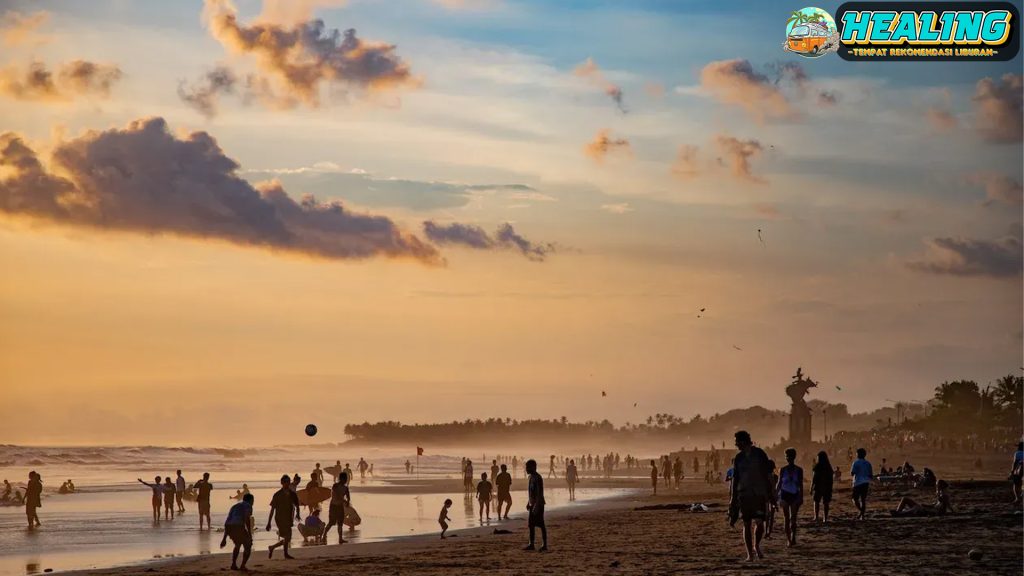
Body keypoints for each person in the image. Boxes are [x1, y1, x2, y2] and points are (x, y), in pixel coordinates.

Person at [729, 431, 773, 562]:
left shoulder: (760, 454)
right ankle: (750, 554)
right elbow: (735, 479)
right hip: (744, 494)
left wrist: (771, 492)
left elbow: (768, 474)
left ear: (743, 441)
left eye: (737, 441)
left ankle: (756, 545)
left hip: (759, 493)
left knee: (760, 523)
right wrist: (733, 498)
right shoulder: (738, 458)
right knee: (746, 523)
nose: (736, 444)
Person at [267, 474, 301, 559]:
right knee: (287, 537)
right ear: (282, 483)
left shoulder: (292, 494)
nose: (287, 483)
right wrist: (269, 523)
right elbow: (272, 509)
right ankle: (285, 554)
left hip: (289, 517)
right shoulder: (277, 495)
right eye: (285, 482)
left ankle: (272, 547)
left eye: (288, 482)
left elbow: (297, 505)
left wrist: (298, 514)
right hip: (280, 518)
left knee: (288, 538)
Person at [776, 448, 804, 547]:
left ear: (794, 457)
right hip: (784, 494)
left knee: (793, 519)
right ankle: (789, 539)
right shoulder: (782, 470)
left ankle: (793, 536)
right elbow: (779, 483)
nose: (788, 458)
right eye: (787, 456)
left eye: (790, 456)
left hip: (794, 494)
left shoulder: (799, 470)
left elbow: (801, 484)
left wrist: (801, 497)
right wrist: (776, 495)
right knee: (786, 518)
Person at [221, 492, 254, 571]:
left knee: (238, 545)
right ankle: (242, 565)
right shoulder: (248, 506)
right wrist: (249, 534)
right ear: (250, 500)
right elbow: (247, 520)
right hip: (238, 526)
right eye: (253, 500)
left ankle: (233, 564)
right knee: (248, 545)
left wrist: (224, 538)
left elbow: (228, 522)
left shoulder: (234, 506)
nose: (253, 502)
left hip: (230, 527)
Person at [524, 459, 547, 551]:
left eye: (527, 467)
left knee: (541, 524)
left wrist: (536, 506)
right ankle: (531, 544)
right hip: (532, 504)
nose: (526, 469)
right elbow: (531, 492)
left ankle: (544, 545)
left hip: (539, 504)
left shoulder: (538, 478)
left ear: (533, 467)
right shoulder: (530, 477)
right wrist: (528, 503)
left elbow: (539, 493)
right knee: (531, 525)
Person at [321, 473, 350, 544]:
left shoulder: (346, 488)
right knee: (331, 522)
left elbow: (348, 496)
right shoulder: (335, 486)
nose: (346, 480)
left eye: (346, 479)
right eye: (345, 478)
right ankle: (324, 535)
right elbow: (336, 494)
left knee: (340, 523)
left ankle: (340, 539)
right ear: (341, 478)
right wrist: (344, 501)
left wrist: (348, 502)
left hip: (340, 506)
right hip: (333, 506)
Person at [811, 451, 833, 524]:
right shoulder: (828, 467)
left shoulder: (817, 466)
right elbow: (831, 479)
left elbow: (814, 478)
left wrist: (811, 488)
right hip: (827, 487)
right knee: (826, 503)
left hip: (818, 487)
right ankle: (825, 518)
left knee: (816, 502)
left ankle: (816, 517)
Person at [850, 447, 873, 520]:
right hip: (866, 482)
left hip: (858, 482)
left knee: (854, 499)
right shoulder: (868, 463)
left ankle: (861, 511)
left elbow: (852, 473)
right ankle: (862, 515)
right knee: (863, 499)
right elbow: (870, 475)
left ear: (858, 454)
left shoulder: (856, 463)